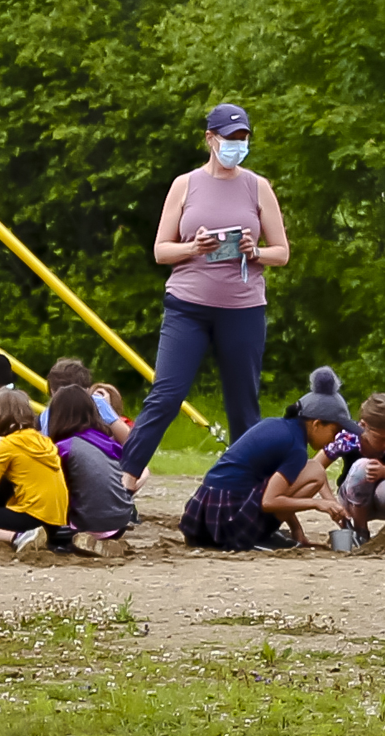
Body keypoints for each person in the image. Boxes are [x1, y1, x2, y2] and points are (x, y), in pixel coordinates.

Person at [121, 102, 290, 491]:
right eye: (230, 138)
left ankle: (248, 491)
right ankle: (125, 481)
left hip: (243, 307)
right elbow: (162, 250)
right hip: (188, 305)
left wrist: (254, 251)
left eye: (243, 138)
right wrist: (194, 247)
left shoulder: (257, 186)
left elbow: (281, 252)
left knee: (242, 404)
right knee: (167, 393)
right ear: (210, 139)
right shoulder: (186, 184)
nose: (237, 145)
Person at [179, 367, 356, 551]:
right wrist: (318, 504)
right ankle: (257, 537)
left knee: (312, 469)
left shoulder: (276, 426)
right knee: (315, 472)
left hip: (202, 518)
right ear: (317, 424)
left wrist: (297, 530)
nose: (335, 439)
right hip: (229, 523)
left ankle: (263, 532)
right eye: (335, 431)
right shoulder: (296, 448)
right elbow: (269, 501)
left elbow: (277, 488)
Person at [0, 388, 68, 553]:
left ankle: (19, 537)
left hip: (32, 515)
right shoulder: (41, 439)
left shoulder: (7, 444)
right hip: (55, 519)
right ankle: (36, 536)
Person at [318, 392, 385, 545]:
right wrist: (331, 503)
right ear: (363, 426)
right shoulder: (349, 438)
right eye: (382, 439)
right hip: (353, 500)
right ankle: (360, 531)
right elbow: (315, 468)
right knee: (362, 466)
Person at [47, 385, 134, 556]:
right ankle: (101, 540)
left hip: (91, 523)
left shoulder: (64, 447)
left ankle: (82, 538)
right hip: (120, 521)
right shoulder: (104, 441)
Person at [38, 357, 129, 444]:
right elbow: (128, 439)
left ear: (52, 391)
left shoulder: (45, 417)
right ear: (86, 389)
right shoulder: (97, 403)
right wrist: (108, 409)